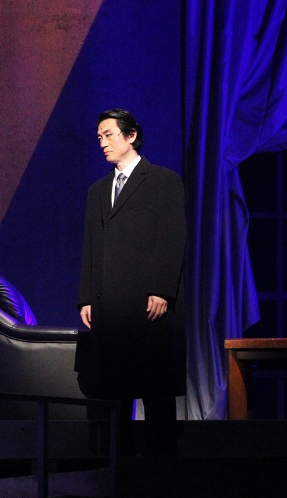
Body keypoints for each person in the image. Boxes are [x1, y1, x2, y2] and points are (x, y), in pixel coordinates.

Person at [76, 109, 186, 456]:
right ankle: (118, 468)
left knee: (155, 389)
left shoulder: (163, 181)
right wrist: (86, 297)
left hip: (147, 301)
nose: (102, 142)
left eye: (108, 134)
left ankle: (162, 465)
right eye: (99, 137)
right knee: (115, 390)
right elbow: (91, 245)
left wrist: (162, 289)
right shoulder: (98, 190)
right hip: (111, 305)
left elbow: (172, 237)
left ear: (131, 135)